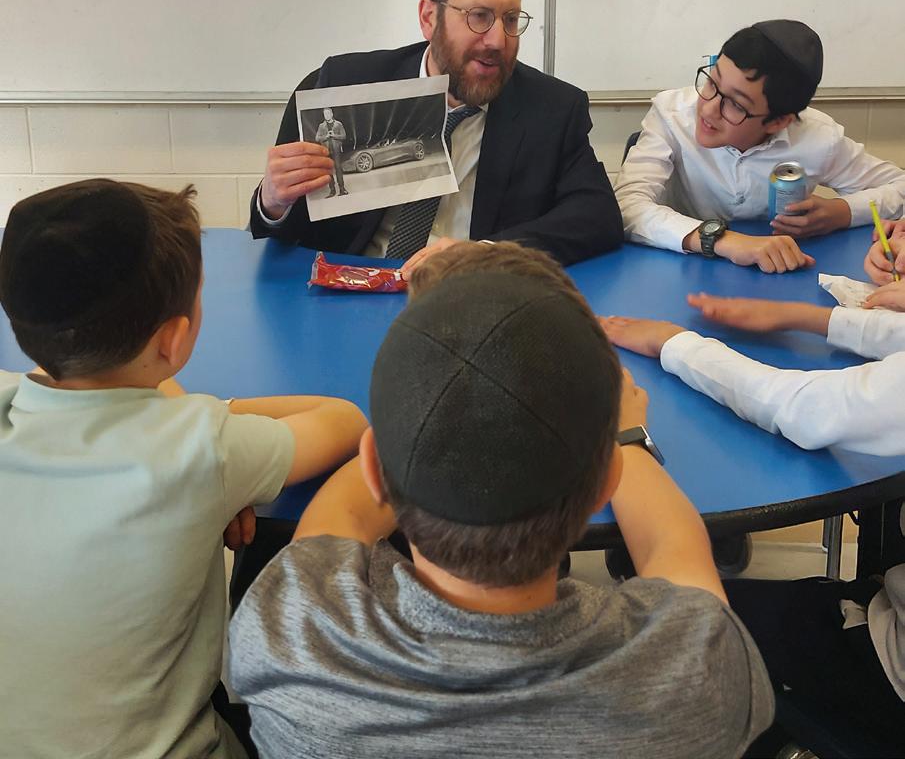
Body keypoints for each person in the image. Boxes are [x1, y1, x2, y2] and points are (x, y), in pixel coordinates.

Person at [229, 243, 773, 759]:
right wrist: (626, 438)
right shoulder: (697, 673)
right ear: (608, 480)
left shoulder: (293, 629)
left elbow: (339, 516)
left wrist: (426, 426)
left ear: (376, 469)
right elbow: (673, 550)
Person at [0, 179, 367, 759]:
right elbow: (343, 421)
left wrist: (190, 428)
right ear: (173, 340)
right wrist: (206, 425)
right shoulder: (202, 449)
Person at [601, 279, 905, 756]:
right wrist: (806, 318)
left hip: (889, 678)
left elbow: (803, 409)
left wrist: (672, 343)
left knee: (659, 632)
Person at [250, 0, 623, 267]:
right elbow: (281, 233)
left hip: (467, 296)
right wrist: (273, 201)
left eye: (510, 20)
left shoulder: (552, 109)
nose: (498, 40)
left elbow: (596, 216)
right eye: (479, 16)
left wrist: (487, 253)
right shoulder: (343, 87)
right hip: (353, 291)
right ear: (429, 17)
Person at [615, 19, 905, 273]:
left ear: (778, 122)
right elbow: (627, 206)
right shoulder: (672, 115)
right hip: (676, 269)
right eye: (712, 82)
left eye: (736, 104)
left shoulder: (818, 139)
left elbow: (900, 187)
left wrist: (842, 212)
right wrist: (722, 241)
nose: (709, 109)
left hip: (779, 274)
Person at [315, 107, 348, 197]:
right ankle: (332, 191)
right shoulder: (321, 126)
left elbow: (344, 136)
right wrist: (326, 136)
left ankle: (342, 189)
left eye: (328, 113)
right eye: (325, 114)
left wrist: (334, 135)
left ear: (332, 114)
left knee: (338, 169)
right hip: (326, 151)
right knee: (329, 171)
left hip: (336, 150)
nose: (327, 115)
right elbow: (317, 138)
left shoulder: (338, 124)